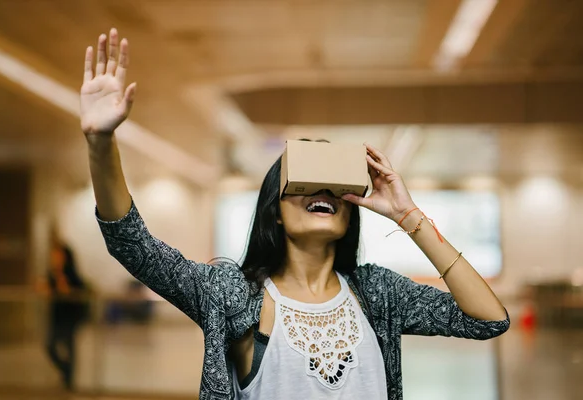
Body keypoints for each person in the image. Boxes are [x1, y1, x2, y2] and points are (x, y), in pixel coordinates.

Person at [81, 28, 510, 400]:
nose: (322, 191)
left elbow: (489, 320)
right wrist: (101, 143)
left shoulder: (378, 293)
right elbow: (133, 245)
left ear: (350, 211)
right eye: (304, 182)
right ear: (277, 211)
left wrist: (407, 214)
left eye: (335, 185)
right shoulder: (233, 296)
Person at [39, 228, 89, 390]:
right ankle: (66, 371)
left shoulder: (72, 274)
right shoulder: (51, 274)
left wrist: (61, 282)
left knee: (69, 346)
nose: (54, 259)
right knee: (51, 346)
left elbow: (72, 290)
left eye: (57, 255)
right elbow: (47, 291)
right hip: (57, 315)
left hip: (70, 316)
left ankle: (69, 381)